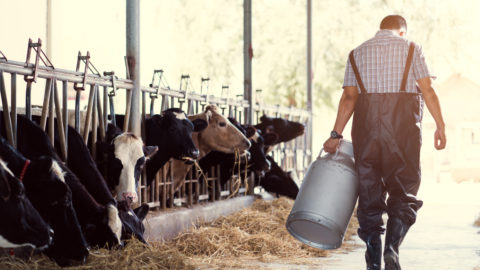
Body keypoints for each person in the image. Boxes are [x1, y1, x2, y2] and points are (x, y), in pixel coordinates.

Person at [323, 15, 446, 270]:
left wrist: (335, 135)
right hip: (402, 133)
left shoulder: (357, 53)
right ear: (402, 31)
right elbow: (428, 91)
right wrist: (441, 126)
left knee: (369, 195)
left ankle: (373, 263)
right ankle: (392, 249)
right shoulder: (412, 48)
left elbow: (348, 97)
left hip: (366, 132)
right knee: (404, 191)